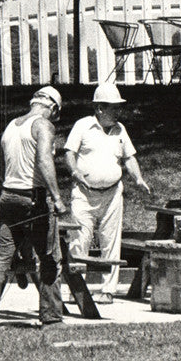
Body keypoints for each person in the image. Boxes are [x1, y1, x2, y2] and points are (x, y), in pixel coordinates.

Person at [0, 86, 67, 330]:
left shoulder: (11, 126)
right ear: (52, 107)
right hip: (34, 198)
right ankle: (51, 318)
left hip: (8, 197)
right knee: (49, 257)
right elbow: (44, 160)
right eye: (56, 114)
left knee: (2, 258)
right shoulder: (43, 126)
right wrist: (57, 197)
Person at [64, 82, 151, 304]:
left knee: (111, 241)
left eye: (118, 107)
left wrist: (138, 179)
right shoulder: (82, 126)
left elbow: (129, 158)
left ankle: (107, 290)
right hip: (84, 194)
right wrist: (74, 172)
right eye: (113, 107)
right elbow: (69, 153)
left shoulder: (120, 130)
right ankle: (77, 288)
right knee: (79, 240)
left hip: (112, 194)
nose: (117, 112)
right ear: (99, 108)